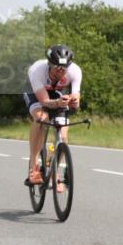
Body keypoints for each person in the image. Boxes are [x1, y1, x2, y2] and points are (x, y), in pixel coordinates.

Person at [24, 45, 82, 185]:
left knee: (63, 134)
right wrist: (57, 102)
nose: (61, 71)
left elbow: (76, 97)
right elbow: (44, 101)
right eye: (57, 68)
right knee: (41, 118)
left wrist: (74, 101)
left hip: (58, 93)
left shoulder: (75, 71)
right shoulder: (37, 71)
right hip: (37, 93)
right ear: (50, 64)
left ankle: (53, 165)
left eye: (64, 68)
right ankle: (34, 165)